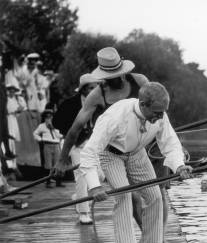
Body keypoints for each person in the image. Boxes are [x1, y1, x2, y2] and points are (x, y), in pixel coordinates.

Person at [82, 82, 193, 243]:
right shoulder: (115, 117)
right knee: (124, 197)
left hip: (137, 153)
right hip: (110, 154)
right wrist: (94, 186)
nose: (160, 117)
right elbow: (89, 152)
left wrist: (179, 165)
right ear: (143, 104)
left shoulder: (160, 115)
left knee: (155, 196)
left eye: (163, 112)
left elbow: (170, 143)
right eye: (157, 113)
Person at [53, 47, 149, 175]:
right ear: (105, 77)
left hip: (142, 143)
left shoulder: (140, 81)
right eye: (112, 77)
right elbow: (75, 128)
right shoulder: (96, 95)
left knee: (158, 193)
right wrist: (62, 160)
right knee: (126, 193)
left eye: (119, 74)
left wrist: (172, 145)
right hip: (113, 151)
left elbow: (159, 110)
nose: (118, 79)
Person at [53, 73, 102, 224]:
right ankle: (83, 213)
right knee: (81, 176)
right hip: (76, 144)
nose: (95, 90)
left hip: (93, 142)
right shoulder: (69, 104)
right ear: (83, 90)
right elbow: (56, 122)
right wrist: (69, 134)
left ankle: (78, 197)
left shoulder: (100, 103)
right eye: (91, 88)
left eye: (96, 87)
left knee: (100, 176)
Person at [33, 109, 63, 187]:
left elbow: (60, 135)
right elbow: (35, 133)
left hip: (56, 145)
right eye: (47, 117)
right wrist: (40, 139)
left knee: (57, 164)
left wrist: (53, 128)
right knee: (48, 164)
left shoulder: (56, 125)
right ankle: (48, 182)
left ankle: (58, 182)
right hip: (47, 145)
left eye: (50, 117)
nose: (49, 118)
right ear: (44, 118)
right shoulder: (42, 126)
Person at [5, 84, 25, 159]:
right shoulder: (6, 100)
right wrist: (13, 111)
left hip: (14, 119)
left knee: (14, 135)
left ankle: (13, 152)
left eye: (13, 92)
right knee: (9, 134)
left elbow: (18, 109)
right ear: (8, 92)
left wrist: (18, 111)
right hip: (8, 118)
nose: (12, 93)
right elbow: (7, 110)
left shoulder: (14, 100)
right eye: (10, 91)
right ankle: (8, 152)